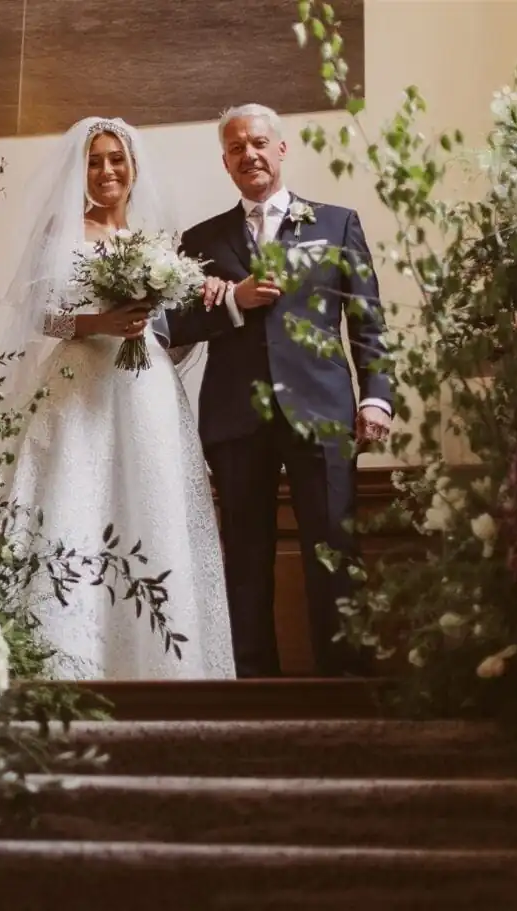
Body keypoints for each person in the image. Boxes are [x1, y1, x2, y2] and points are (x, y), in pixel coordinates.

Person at [0, 116, 235, 681]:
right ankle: (69, 659)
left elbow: (171, 329)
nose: (107, 171)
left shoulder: (157, 244)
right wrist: (102, 320)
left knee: (151, 501)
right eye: (95, 161)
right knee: (75, 500)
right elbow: (42, 317)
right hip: (81, 382)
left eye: (116, 160)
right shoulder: (64, 232)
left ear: (133, 169)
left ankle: (165, 664)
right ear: (81, 171)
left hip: (145, 385)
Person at [165, 103, 395, 679]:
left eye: (260, 143)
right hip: (235, 418)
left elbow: (367, 321)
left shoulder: (337, 223)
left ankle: (347, 689)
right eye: (238, 148)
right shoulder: (200, 239)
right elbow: (174, 327)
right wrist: (233, 305)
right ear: (226, 162)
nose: (251, 154)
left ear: (282, 149)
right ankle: (252, 691)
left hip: (322, 410)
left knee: (335, 555)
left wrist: (376, 396)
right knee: (244, 561)